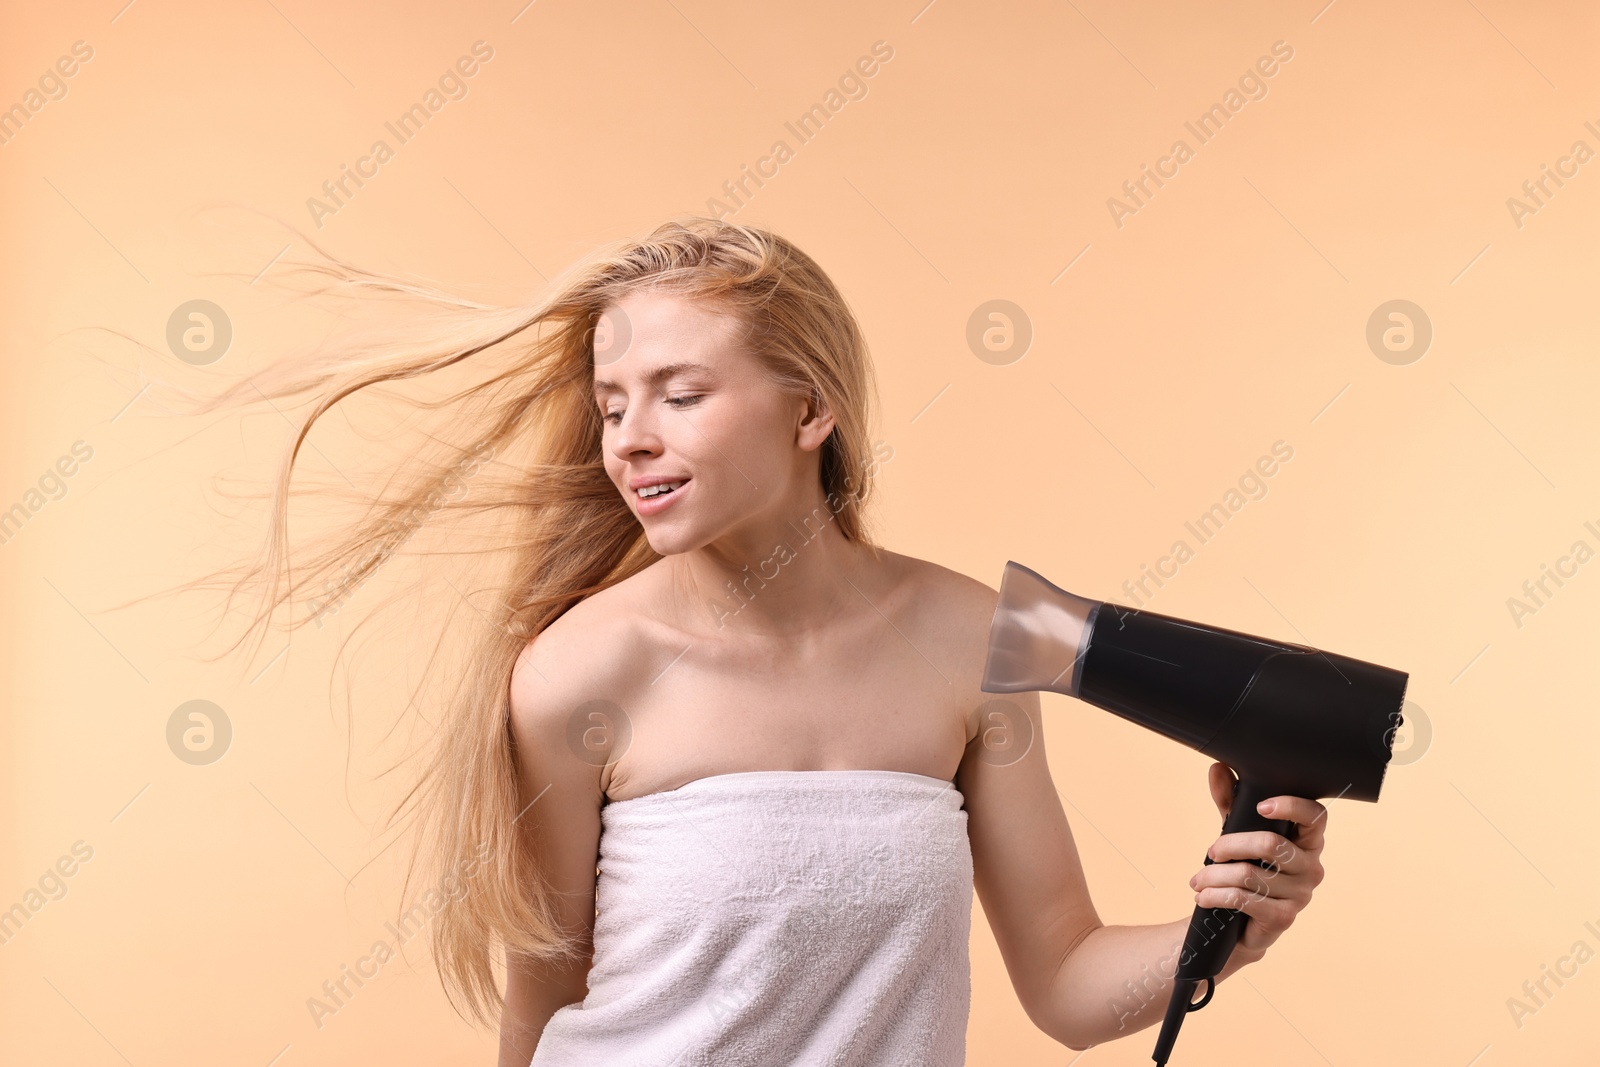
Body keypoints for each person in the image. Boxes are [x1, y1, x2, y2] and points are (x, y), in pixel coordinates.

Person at [174, 215, 1329, 1065]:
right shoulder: (581, 675)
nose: (628, 437)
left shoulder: (968, 635)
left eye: (678, 391)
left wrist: (1225, 930)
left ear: (808, 408)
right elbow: (542, 998)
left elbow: (1068, 984)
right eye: (613, 400)